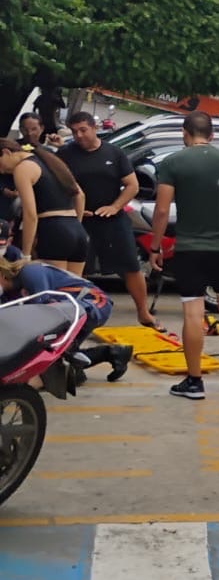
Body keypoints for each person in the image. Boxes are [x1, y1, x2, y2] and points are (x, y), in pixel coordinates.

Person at [148, 110, 219, 400]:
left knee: (193, 312)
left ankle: (194, 382)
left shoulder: (173, 163)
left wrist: (155, 247)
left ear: (184, 133)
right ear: (212, 135)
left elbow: (161, 209)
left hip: (190, 248)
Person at [58, 111, 158, 327]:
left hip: (113, 219)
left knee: (130, 266)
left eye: (83, 130)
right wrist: (75, 209)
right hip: (81, 219)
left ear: (94, 128)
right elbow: (58, 185)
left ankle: (143, 312)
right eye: (74, 132)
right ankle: (74, 317)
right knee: (78, 270)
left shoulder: (114, 153)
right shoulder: (66, 153)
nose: (79, 136)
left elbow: (132, 185)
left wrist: (115, 206)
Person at [0, 255, 133, 381]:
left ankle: (74, 363)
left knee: (51, 352)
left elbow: (42, 312)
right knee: (64, 364)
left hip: (92, 302)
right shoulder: (9, 294)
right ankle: (112, 353)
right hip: (72, 309)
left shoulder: (29, 273)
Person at [0, 138, 88, 270]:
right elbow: (80, 195)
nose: (1, 171)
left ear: (6, 152)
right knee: (72, 287)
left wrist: (25, 255)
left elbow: (30, 215)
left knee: (52, 288)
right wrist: (76, 224)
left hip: (53, 230)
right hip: (77, 230)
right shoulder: (50, 161)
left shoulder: (23, 168)